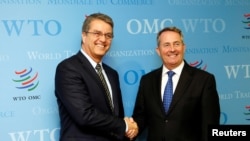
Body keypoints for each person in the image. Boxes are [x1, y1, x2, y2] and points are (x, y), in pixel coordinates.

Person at [55, 12, 137, 141]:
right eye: (97, 33)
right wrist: (125, 125)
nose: (103, 40)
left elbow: (116, 116)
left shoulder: (112, 74)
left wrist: (127, 129)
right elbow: (85, 116)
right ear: (84, 35)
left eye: (108, 35)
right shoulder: (68, 69)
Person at [131, 26, 221, 141]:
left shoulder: (204, 80)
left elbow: (210, 125)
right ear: (158, 51)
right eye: (166, 45)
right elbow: (140, 117)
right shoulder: (147, 81)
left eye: (176, 44)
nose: (172, 49)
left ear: (184, 47)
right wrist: (129, 129)